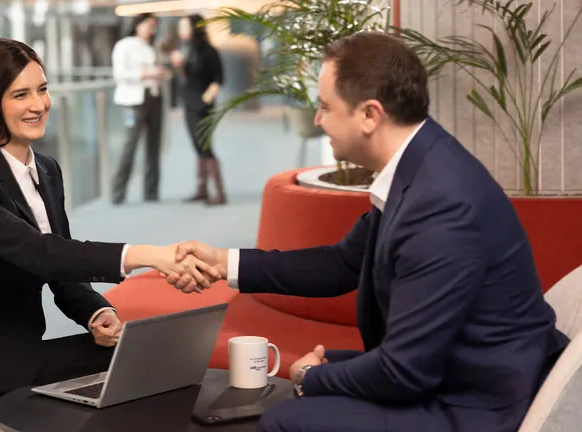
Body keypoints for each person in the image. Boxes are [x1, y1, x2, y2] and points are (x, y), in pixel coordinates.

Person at [163, 32, 569, 431]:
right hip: (455, 369)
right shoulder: (420, 164)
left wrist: (309, 378)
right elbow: (340, 264)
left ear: (370, 115)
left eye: (325, 106)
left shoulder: (441, 206)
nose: (318, 119)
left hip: (479, 403)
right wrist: (223, 262)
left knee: (283, 419)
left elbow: (404, 373)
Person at [0, 38, 217, 407]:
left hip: (25, 351)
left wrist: (96, 311)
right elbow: (39, 253)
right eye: (20, 95)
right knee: (146, 367)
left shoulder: (46, 170)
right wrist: (151, 255)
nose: (38, 105)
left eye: (42, 90)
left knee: (158, 357)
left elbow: (62, 269)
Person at [110, 13, 169, 205]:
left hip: (154, 96)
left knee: (154, 145)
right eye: (148, 24)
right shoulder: (124, 45)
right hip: (134, 100)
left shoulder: (152, 46)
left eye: (153, 25)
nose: (151, 29)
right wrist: (144, 74)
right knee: (130, 145)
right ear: (138, 25)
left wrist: (160, 73)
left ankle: (151, 192)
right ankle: (118, 193)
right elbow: (119, 74)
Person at [170, 14, 226, 205]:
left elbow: (219, 79)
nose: (181, 31)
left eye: (184, 27)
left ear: (195, 28)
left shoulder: (208, 51)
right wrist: (178, 66)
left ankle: (219, 193)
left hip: (203, 105)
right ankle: (201, 189)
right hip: (188, 103)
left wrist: (205, 101)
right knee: (197, 145)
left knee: (205, 146)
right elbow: (184, 78)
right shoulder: (184, 50)